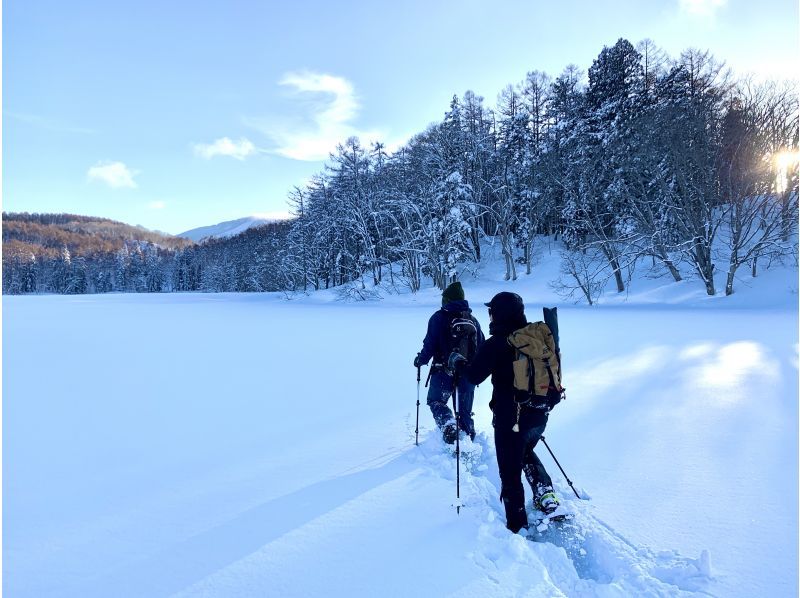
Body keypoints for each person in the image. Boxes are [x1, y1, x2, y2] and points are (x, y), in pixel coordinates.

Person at [449, 291, 559, 533]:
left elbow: (473, 375)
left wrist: (458, 362)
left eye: (491, 311)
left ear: (497, 314)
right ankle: (545, 491)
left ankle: (517, 528)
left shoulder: (497, 343)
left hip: (511, 419)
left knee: (509, 474)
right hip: (540, 414)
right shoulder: (534, 337)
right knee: (525, 450)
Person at [414, 281, 485, 444]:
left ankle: (449, 427)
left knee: (435, 401)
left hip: (442, 372)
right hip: (467, 374)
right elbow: (482, 346)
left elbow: (430, 345)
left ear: (446, 300)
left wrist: (421, 360)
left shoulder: (438, 318)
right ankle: (468, 441)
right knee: (464, 411)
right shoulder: (472, 320)